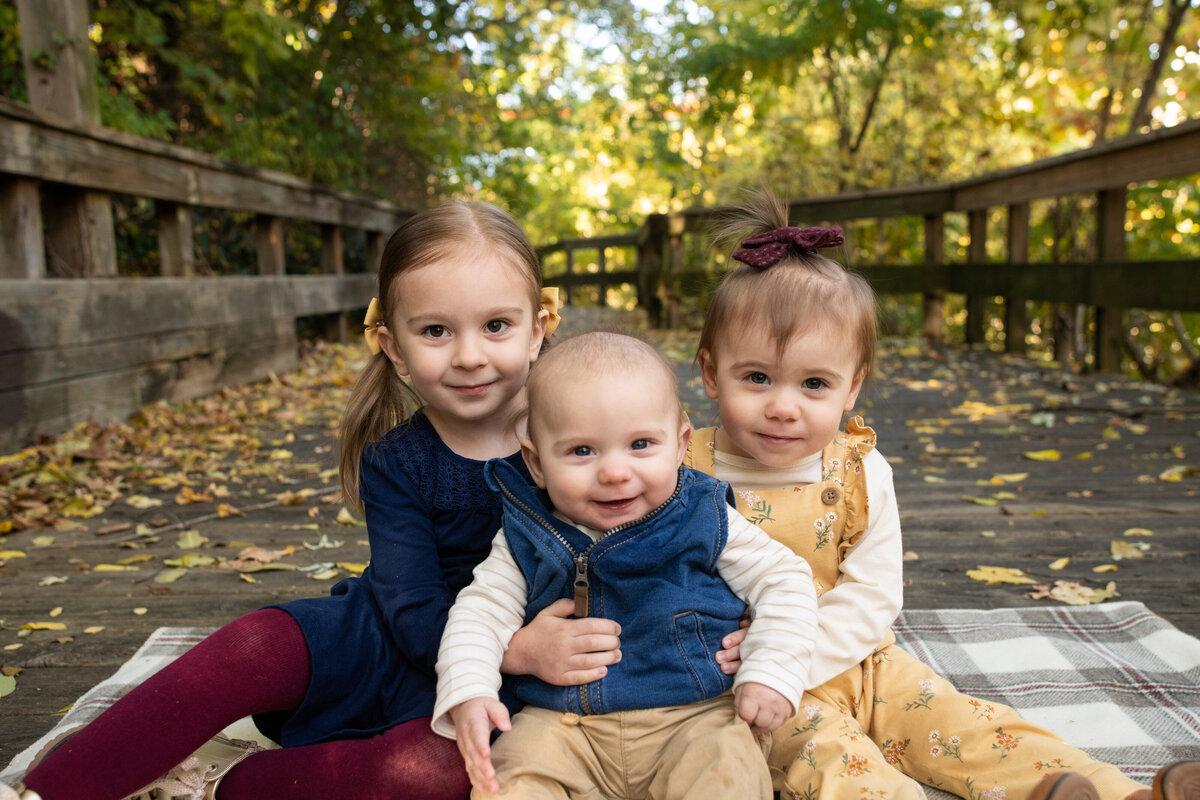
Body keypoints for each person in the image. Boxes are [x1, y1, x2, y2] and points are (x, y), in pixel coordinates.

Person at [3, 202, 625, 800]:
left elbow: (656, 513)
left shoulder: (581, 438)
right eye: (436, 330)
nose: (469, 355)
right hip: (389, 629)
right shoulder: (397, 460)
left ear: (538, 329)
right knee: (256, 642)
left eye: (495, 326)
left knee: (432, 773)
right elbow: (408, 604)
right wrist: (511, 646)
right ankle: (52, 788)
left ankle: (221, 787)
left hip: (508, 666)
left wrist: (522, 652)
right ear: (393, 347)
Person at [683, 187, 1200, 800]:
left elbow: (875, 592)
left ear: (852, 389)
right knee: (833, 762)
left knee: (965, 726)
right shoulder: (681, 471)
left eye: (815, 383)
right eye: (758, 378)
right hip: (762, 687)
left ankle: (1112, 793)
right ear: (712, 372)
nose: (784, 406)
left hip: (866, 662)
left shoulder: (859, 471)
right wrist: (773, 667)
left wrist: (807, 652)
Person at [432, 331, 821, 799]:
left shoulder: (705, 516)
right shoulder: (527, 532)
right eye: (582, 451)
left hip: (695, 718)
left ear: (679, 445)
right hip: (563, 727)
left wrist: (771, 670)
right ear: (536, 463)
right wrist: (469, 689)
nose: (615, 472)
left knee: (727, 771)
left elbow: (784, 580)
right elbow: (480, 612)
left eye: (640, 444)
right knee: (513, 777)